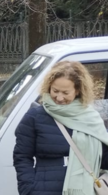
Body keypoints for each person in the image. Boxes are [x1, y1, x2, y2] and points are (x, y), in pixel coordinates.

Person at [14, 61, 108, 195]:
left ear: (77, 91)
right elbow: (22, 156)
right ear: (48, 87)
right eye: (55, 91)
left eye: (65, 92)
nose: (59, 97)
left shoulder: (91, 119)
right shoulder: (35, 117)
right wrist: (28, 189)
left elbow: (104, 158)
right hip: (43, 190)